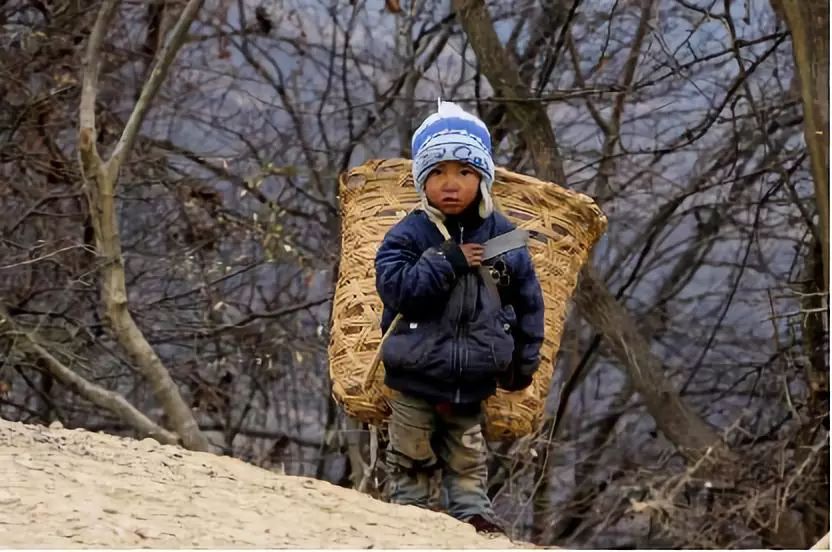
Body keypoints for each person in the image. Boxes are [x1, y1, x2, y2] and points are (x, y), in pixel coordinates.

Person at [374, 100, 545, 534]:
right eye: (437, 173)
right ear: (421, 181)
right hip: (415, 371)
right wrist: (447, 260)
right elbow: (397, 291)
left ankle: (471, 514)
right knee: (410, 451)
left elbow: (527, 303)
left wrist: (523, 363)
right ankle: (408, 512)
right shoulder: (409, 234)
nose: (451, 185)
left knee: (468, 452)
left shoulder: (504, 238)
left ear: (483, 178)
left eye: (465, 173)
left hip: (473, 375)